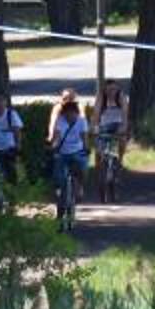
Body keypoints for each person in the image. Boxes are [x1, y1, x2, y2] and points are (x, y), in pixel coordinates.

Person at [47, 91, 90, 231]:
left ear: (76, 113)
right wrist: (54, 147)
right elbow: (57, 137)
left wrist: (86, 148)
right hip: (63, 152)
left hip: (77, 151)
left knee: (82, 168)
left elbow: (84, 138)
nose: (70, 115)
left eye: (72, 112)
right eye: (67, 112)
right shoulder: (60, 121)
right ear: (64, 113)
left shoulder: (82, 121)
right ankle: (60, 201)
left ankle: (79, 186)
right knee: (58, 178)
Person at [92, 83, 129, 204]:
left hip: (118, 124)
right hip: (104, 125)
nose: (111, 92)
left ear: (117, 89)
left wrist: (123, 128)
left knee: (121, 139)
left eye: (114, 89)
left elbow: (125, 114)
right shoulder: (101, 98)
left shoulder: (121, 97)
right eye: (109, 89)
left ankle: (120, 159)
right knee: (98, 147)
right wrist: (95, 128)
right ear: (105, 90)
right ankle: (99, 167)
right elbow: (96, 114)